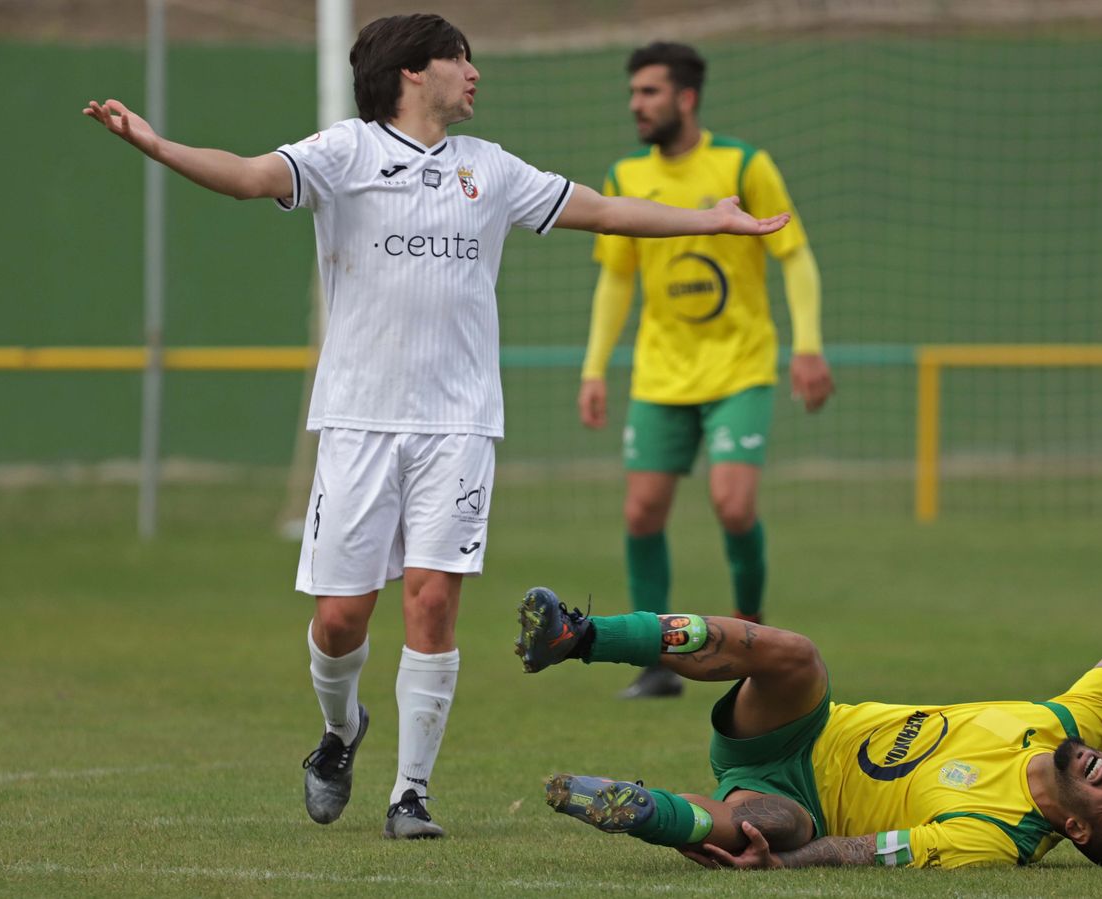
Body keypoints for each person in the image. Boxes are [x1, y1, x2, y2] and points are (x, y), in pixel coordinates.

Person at [83, 14, 790, 841]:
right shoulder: (344, 152)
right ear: (415, 73)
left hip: (458, 427)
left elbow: (601, 210)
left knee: (432, 603)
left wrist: (711, 219)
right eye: (461, 58)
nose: (475, 72)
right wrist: (158, 145)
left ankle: (410, 793)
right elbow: (245, 175)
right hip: (356, 423)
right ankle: (341, 733)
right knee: (342, 617)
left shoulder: (487, 168)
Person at [515, 566, 1102, 869]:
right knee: (795, 656)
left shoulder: (995, 837)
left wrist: (783, 866)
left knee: (773, 830)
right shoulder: (1068, 724)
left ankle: (635, 806)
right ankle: (580, 636)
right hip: (796, 728)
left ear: (1076, 827)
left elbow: (867, 852)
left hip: (798, 802)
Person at [577, 43, 835, 699]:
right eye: (633, 92)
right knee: (641, 513)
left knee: (733, 502)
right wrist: (594, 368)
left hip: (740, 368)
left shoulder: (743, 165)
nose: (637, 104)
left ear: (685, 98)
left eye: (650, 92)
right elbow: (615, 281)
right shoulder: (624, 175)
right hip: (661, 374)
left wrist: (807, 345)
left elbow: (796, 256)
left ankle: (752, 634)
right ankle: (654, 660)